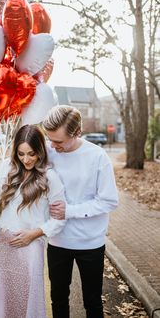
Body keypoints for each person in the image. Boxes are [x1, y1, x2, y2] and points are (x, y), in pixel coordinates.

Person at [0, 124, 67, 318]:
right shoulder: (7, 166)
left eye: (31, 154)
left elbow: (59, 220)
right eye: (21, 154)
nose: (26, 160)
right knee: (3, 295)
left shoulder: (50, 178)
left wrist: (34, 234)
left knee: (29, 297)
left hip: (30, 246)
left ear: (40, 150)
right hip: (3, 243)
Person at [42, 105, 119, 318]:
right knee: (58, 299)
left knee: (92, 302)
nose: (52, 145)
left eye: (58, 141)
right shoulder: (49, 151)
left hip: (90, 243)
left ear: (77, 133)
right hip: (57, 241)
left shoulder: (97, 157)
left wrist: (70, 211)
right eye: (50, 139)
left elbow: (109, 201)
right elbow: (22, 169)